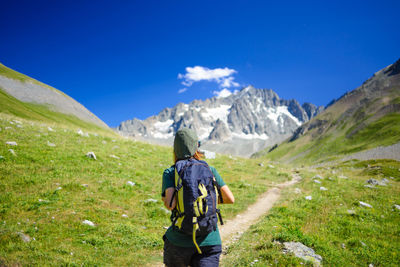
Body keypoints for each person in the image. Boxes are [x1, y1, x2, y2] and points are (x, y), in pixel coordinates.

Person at [161, 128, 235, 267]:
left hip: (179, 242)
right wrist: (206, 199)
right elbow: (230, 198)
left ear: (175, 149)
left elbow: (170, 204)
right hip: (209, 241)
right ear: (196, 147)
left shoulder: (171, 172)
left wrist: (187, 199)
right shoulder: (209, 169)